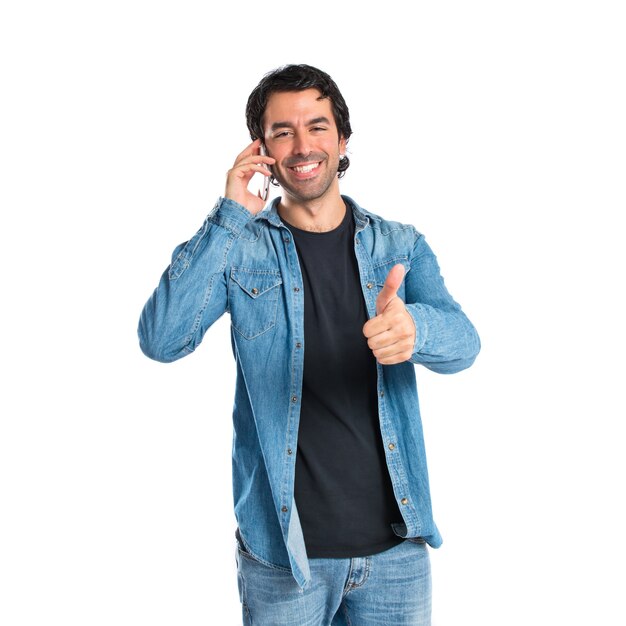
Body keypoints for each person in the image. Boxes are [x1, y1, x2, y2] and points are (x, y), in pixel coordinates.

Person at [138, 64, 480, 626]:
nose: (303, 146)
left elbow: (465, 345)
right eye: (282, 131)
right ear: (262, 149)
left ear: (342, 139)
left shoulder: (398, 244)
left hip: (396, 553)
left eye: (318, 127)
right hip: (284, 558)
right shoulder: (240, 249)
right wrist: (229, 217)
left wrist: (416, 328)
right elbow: (161, 339)